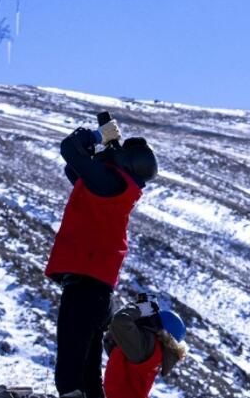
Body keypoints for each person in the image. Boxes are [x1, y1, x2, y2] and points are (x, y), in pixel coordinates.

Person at [44, 114, 158, 398]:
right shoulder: (114, 187)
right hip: (97, 290)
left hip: (85, 285)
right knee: (88, 371)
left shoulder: (109, 182)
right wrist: (99, 149)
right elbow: (74, 168)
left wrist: (97, 136)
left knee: (71, 369)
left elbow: (70, 150)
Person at [104, 297, 187, 398]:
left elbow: (119, 322)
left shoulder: (147, 346)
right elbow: (113, 344)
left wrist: (138, 309)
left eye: (153, 319)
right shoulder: (157, 352)